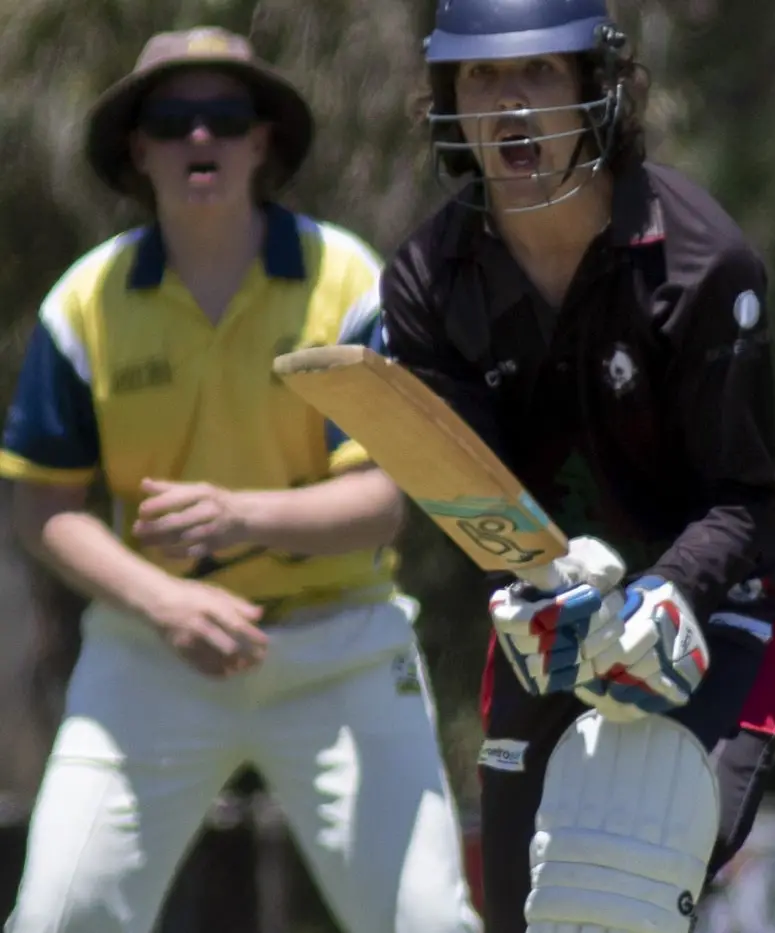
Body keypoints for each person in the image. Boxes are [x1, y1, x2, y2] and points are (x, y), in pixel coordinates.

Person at [1, 27, 477, 933]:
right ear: (138, 149)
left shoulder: (346, 281)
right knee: (59, 918)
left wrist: (239, 516)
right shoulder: (84, 304)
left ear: (263, 140)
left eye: (224, 116)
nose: (199, 139)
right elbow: (42, 507)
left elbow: (383, 503)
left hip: (340, 648)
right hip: (152, 652)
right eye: (172, 121)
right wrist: (164, 602)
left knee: (429, 922)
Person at [380, 2, 775, 932]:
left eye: (540, 73)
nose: (510, 106)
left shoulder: (702, 262)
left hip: (729, 594)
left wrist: (665, 591)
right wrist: (537, 584)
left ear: (597, 87)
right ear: (449, 100)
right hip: (554, 602)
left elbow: (743, 500)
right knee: (523, 912)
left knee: (615, 876)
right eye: (482, 77)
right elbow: (480, 494)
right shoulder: (429, 278)